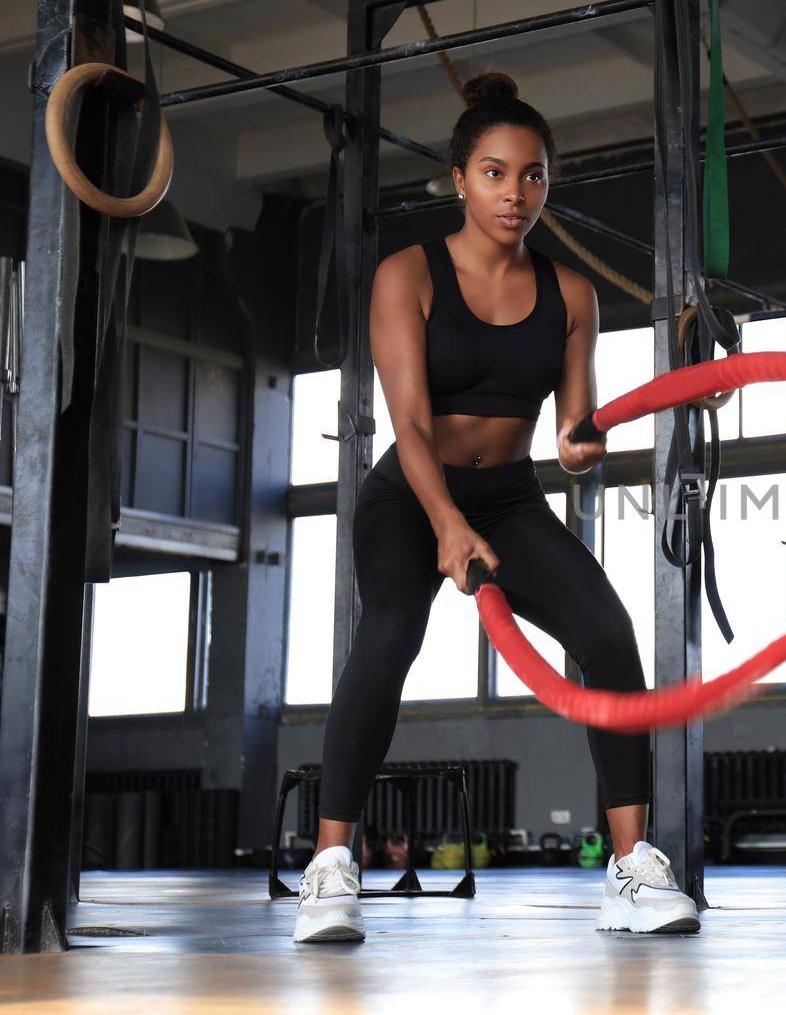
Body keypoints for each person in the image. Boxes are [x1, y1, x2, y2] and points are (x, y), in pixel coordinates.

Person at [294, 71, 698, 943]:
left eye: (534, 176)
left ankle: (631, 866)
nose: (517, 194)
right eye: (495, 173)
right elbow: (404, 422)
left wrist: (583, 450)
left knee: (606, 630)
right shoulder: (408, 275)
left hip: (510, 495)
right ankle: (329, 866)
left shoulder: (573, 295)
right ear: (458, 178)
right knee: (393, 628)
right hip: (411, 492)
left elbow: (572, 430)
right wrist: (445, 521)